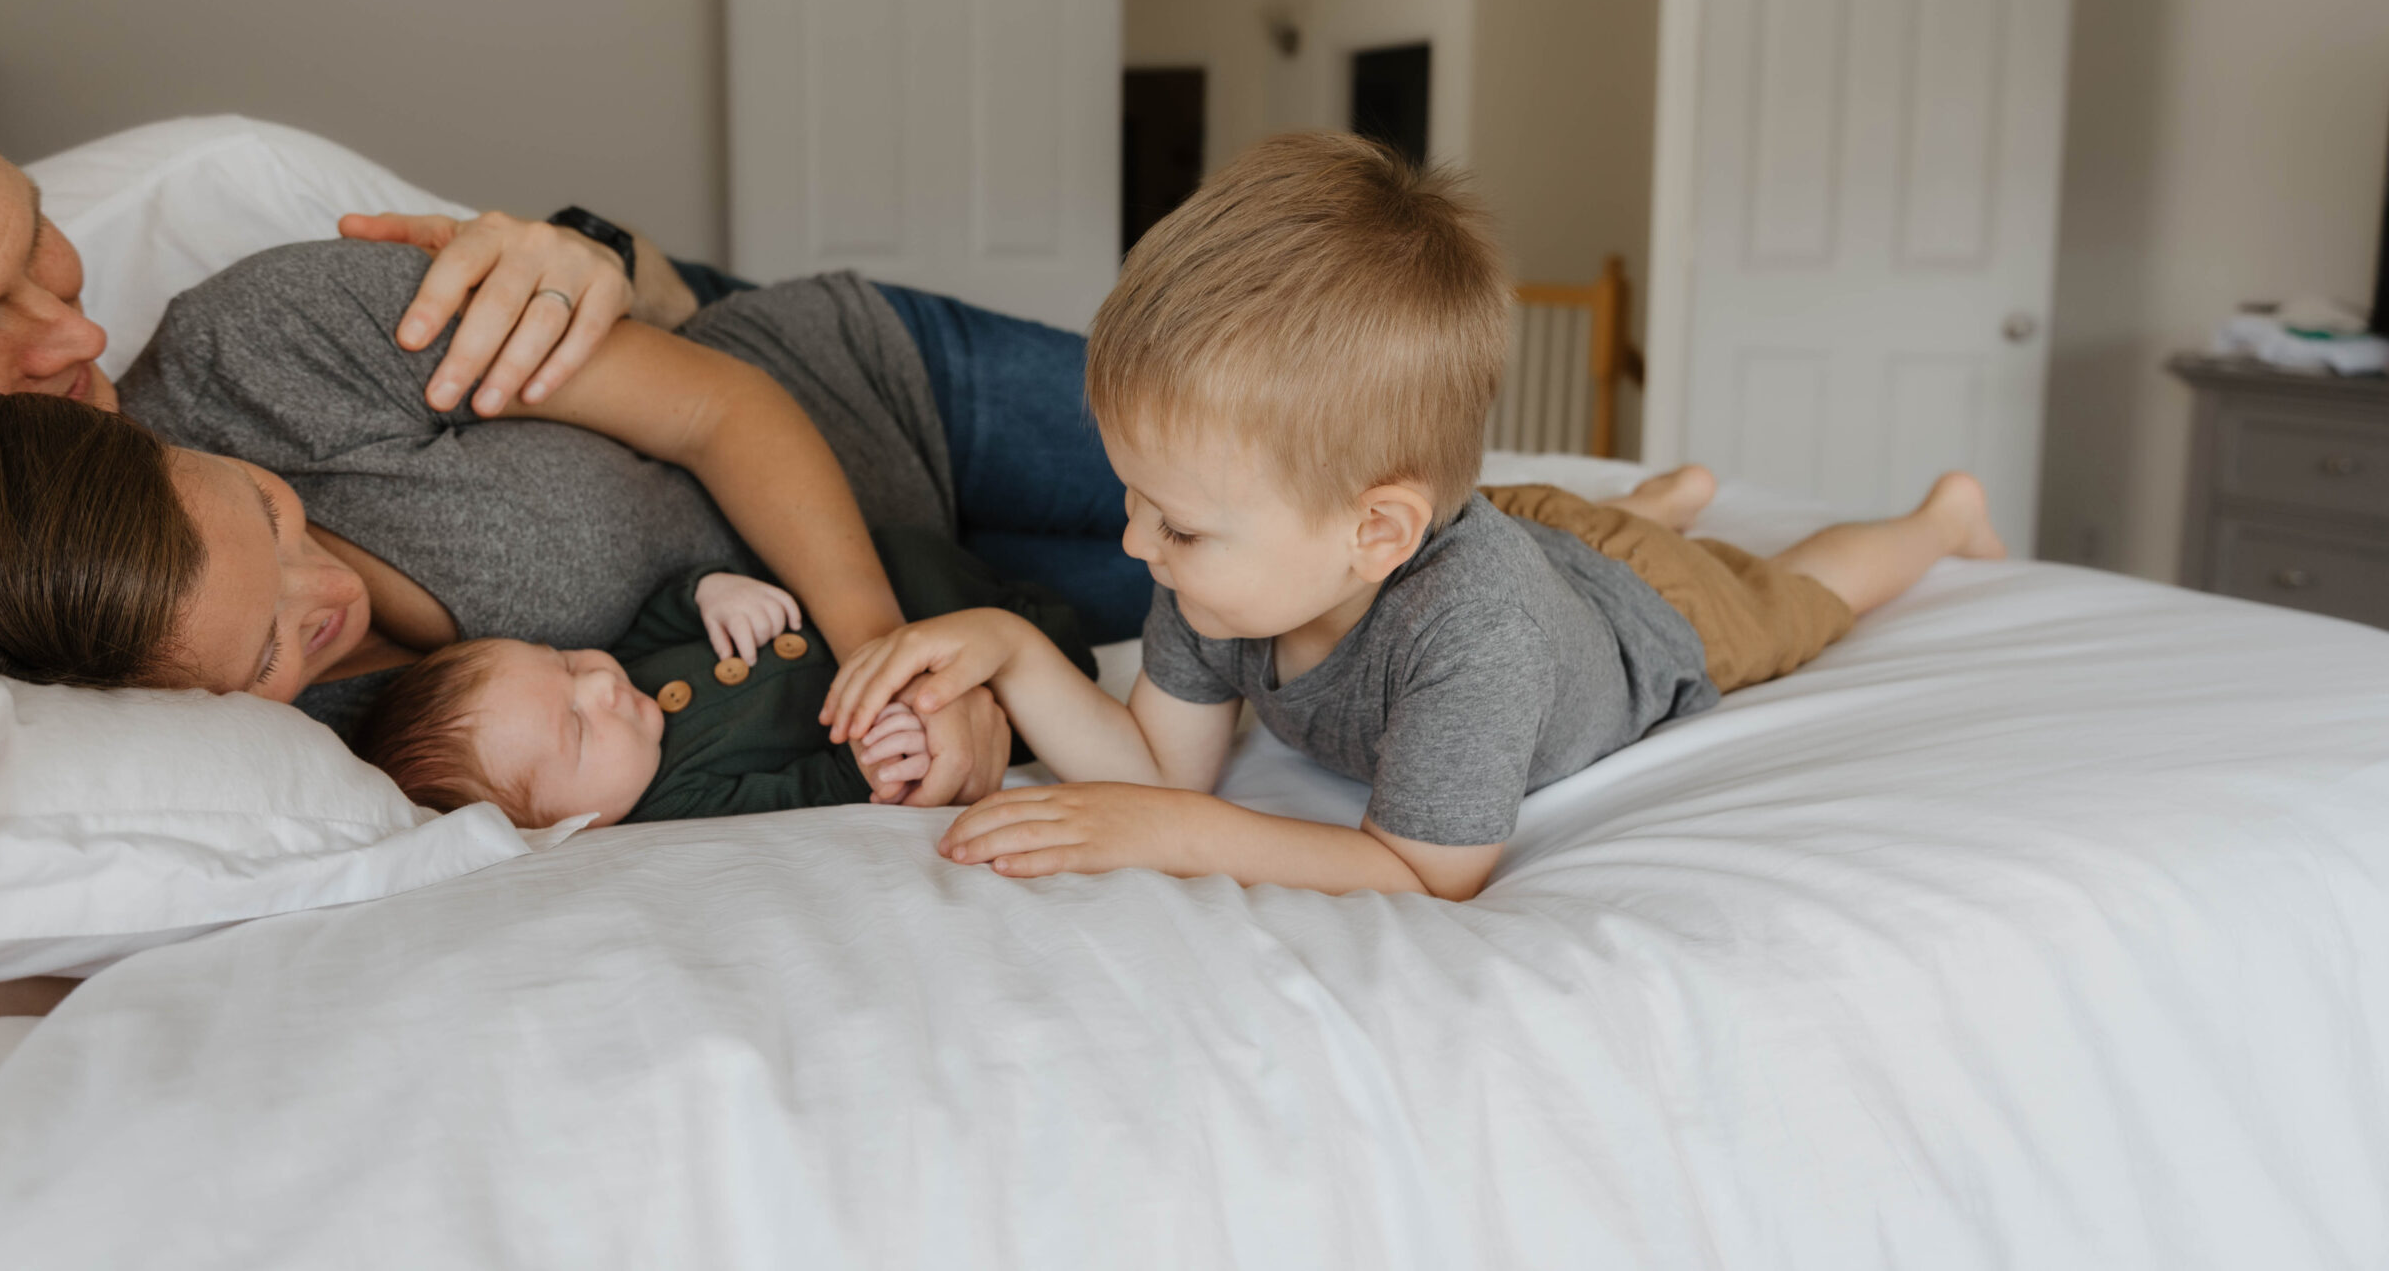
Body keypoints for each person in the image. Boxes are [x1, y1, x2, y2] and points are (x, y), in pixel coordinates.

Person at [821, 133, 2008, 902]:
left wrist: (1167, 839)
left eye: (1173, 523)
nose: (1135, 542)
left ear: (1373, 532)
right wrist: (1015, 651)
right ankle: (1649, 500)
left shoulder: (1470, 632)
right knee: (1576, 524)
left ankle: (1932, 520)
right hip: (1523, 529)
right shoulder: (1222, 575)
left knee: (1800, 591)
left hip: (1644, 602)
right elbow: (1158, 769)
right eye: (1136, 501)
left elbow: (1424, 867)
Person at [0, 32, 650, 944]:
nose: (76, 337)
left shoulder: (221, 191)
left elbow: (691, 327)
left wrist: (601, 259)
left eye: (33, 237)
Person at [352, 529, 1096, 828]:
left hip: (907, 580)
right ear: (568, 826)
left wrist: (711, 589)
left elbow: (658, 615)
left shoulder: (630, 680)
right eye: (577, 727)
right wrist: (861, 762)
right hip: (963, 664)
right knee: (1063, 653)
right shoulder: (678, 802)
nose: (602, 686)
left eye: (567, 662)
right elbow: (794, 795)